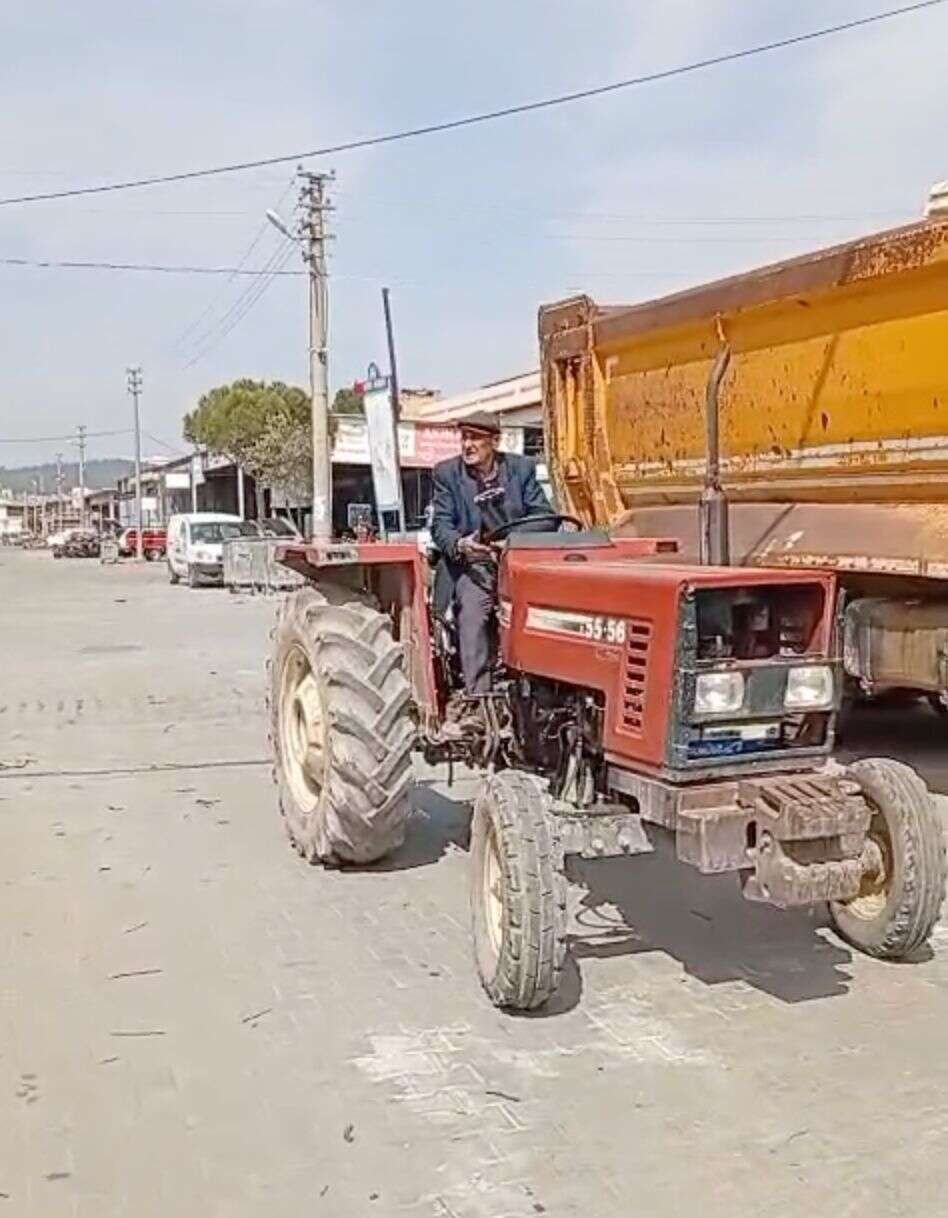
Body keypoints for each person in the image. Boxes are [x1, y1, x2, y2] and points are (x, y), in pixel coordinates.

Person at [430, 412, 552, 695]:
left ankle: (539, 689)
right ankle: (478, 697)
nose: (467, 445)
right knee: (473, 613)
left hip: (516, 564)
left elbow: (545, 517)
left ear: (494, 441)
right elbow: (441, 525)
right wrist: (461, 544)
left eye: (475, 438)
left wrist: (510, 542)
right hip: (473, 565)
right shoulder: (447, 473)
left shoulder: (520, 469)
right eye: (464, 438)